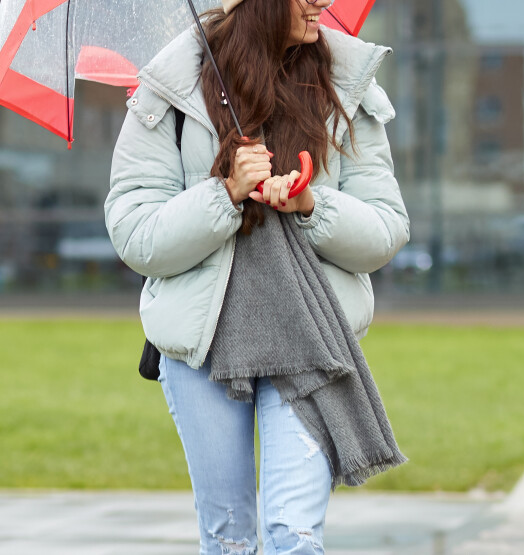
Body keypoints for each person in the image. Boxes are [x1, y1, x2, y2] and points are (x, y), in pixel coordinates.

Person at [104, 0, 410, 551]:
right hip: (203, 350)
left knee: (294, 537)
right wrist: (225, 194)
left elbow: (387, 230)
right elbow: (135, 235)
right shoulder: (168, 91)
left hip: (310, 342)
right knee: (230, 540)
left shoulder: (348, 86)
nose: (322, 2)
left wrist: (313, 205)